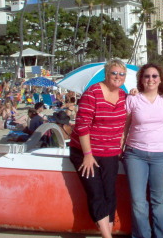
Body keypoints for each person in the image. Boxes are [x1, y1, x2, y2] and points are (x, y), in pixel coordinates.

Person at [68, 59, 128, 238]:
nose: (117, 76)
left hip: (110, 152)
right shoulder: (93, 92)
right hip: (87, 152)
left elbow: (126, 123)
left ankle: (106, 232)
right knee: (96, 192)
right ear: (106, 74)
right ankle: (106, 236)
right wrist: (87, 155)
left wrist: (121, 146)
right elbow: (82, 125)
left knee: (110, 193)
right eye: (114, 73)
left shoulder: (125, 96)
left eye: (121, 74)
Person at [122, 63, 163, 238]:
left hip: (162, 156)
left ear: (160, 80)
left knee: (159, 200)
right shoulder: (132, 99)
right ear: (141, 80)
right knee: (138, 201)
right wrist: (119, 149)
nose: (150, 79)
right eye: (147, 76)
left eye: (154, 76)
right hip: (135, 155)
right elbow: (124, 127)